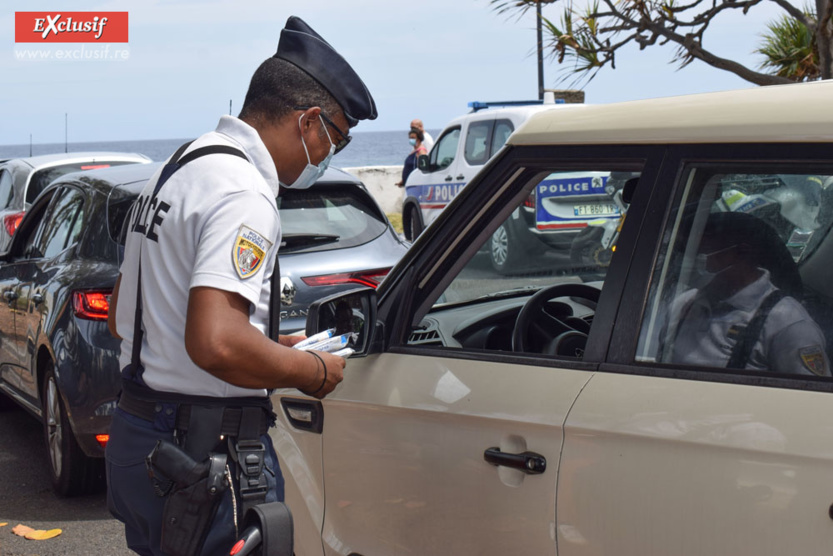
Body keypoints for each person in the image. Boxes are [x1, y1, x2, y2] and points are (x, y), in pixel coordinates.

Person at [105, 16, 377, 556]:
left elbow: (124, 312)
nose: (329, 157)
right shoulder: (244, 193)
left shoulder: (180, 168)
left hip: (142, 435)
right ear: (309, 122)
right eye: (336, 140)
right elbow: (217, 343)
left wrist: (270, 351)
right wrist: (311, 369)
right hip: (203, 452)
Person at [660, 211, 829, 377]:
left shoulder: (787, 324)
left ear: (742, 253)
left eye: (703, 254)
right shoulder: (684, 304)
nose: (690, 263)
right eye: (689, 254)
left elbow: (809, 399)